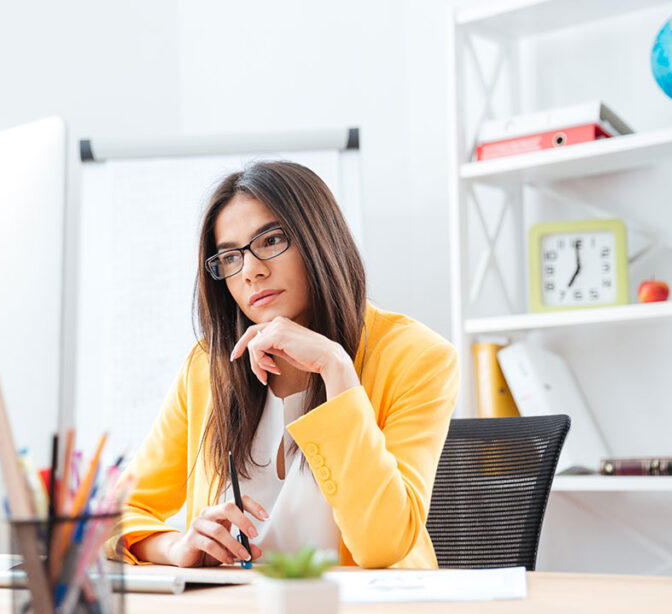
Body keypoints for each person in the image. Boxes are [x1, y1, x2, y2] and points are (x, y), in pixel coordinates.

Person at [116, 160, 459, 569]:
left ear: (320, 240)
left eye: (272, 240)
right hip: (233, 613)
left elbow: (382, 545)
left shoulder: (418, 358)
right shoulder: (209, 366)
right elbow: (111, 515)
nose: (251, 271)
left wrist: (336, 368)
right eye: (229, 258)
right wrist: (174, 547)